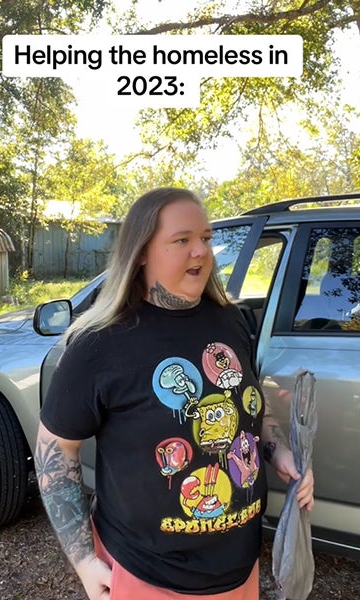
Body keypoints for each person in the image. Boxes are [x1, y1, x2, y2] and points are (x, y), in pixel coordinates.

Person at [35, 188, 315, 599]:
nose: (200, 251)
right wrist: (83, 561)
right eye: (182, 240)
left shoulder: (230, 320)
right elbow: (55, 451)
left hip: (239, 570)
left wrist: (278, 452)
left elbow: (249, 406)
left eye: (205, 237)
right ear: (142, 252)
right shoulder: (99, 343)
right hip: (147, 576)